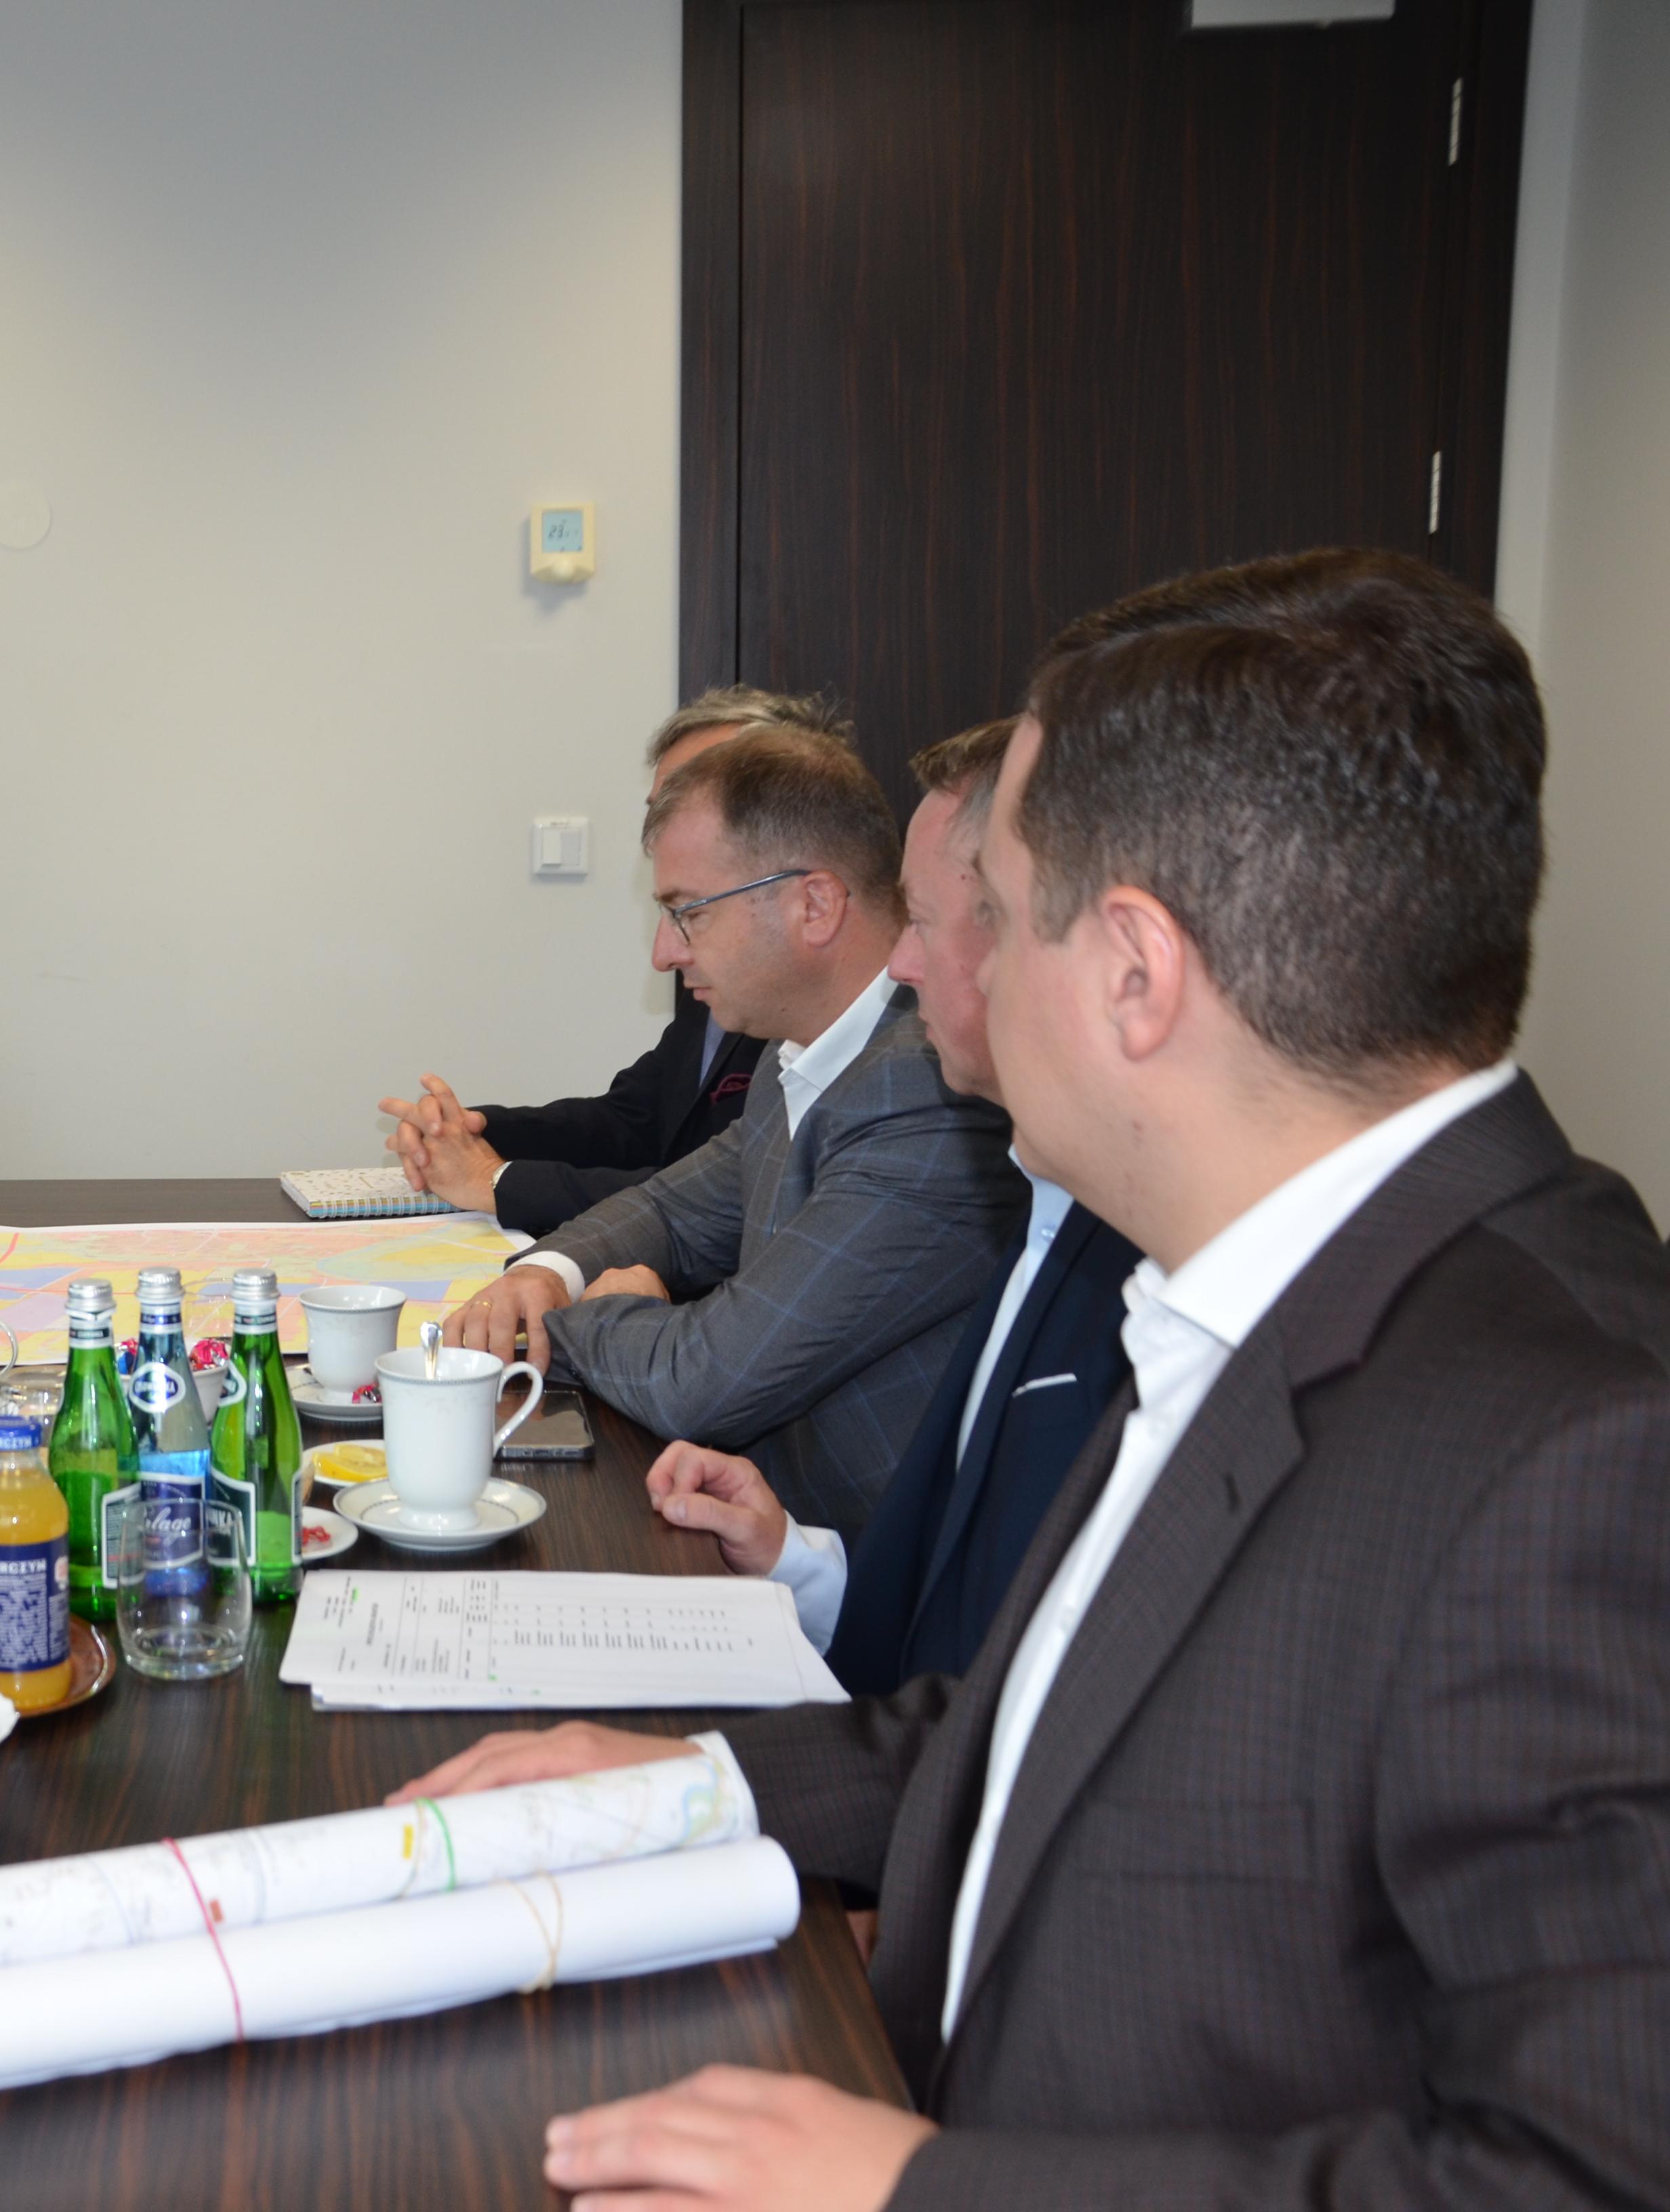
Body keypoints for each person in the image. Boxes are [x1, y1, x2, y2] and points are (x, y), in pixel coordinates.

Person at [399, 549, 1670, 2209]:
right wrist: (705, 1782)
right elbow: (1063, 1719)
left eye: (993, 912)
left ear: (1134, 973)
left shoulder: (1592, 1442)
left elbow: (1589, 2170)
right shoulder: (1270, 1276)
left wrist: (914, 2189)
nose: (928, 972)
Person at [645, 719, 1139, 1690]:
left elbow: (1024, 1699)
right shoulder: (1058, 1196)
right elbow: (973, 1619)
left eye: (924, 920)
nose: (901, 966)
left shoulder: (942, 1119)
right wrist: (799, 1563)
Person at [441, 733, 1025, 1536]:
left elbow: (702, 1380)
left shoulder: (923, 1090)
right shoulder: (806, 1055)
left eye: (689, 912)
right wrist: (546, 1273)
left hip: (867, 1575)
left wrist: (585, 1317)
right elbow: (672, 1210)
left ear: (813, 905)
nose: (663, 953)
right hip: (768, 1522)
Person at [380, 687, 850, 1236]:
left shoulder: (821, 1012)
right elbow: (633, 1122)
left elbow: (723, 1204)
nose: (665, 956)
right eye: (661, 806)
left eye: (695, 796)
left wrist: (498, 1181)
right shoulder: (719, 972)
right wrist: (472, 1131)